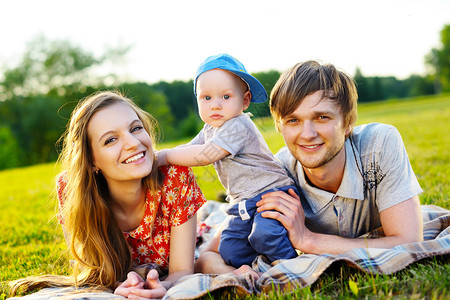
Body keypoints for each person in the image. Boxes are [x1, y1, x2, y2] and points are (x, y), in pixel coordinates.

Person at [194, 60, 423, 275]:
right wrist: (238, 275)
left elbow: (409, 242)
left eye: (322, 117)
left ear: (348, 122)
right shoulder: (275, 176)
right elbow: (207, 257)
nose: (308, 134)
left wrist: (307, 240)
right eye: (293, 120)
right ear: (280, 127)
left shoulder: (379, 145)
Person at [10, 91, 206, 299]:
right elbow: (94, 271)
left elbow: (182, 272)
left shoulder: (175, 175)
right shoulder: (72, 191)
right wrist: (119, 287)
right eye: (111, 140)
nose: (132, 143)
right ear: (92, 161)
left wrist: (160, 287)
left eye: (136, 128)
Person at [157, 53, 299, 268]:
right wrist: (157, 157)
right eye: (206, 98)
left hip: (272, 193)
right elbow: (190, 148)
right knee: (230, 248)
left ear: (245, 100)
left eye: (225, 97)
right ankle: (255, 270)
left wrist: (166, 156)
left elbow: (206, 154)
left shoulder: (238, 125)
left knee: (265, 234)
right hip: (244, 202)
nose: (215, 105)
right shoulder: (210, 129)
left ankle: (289, 268)